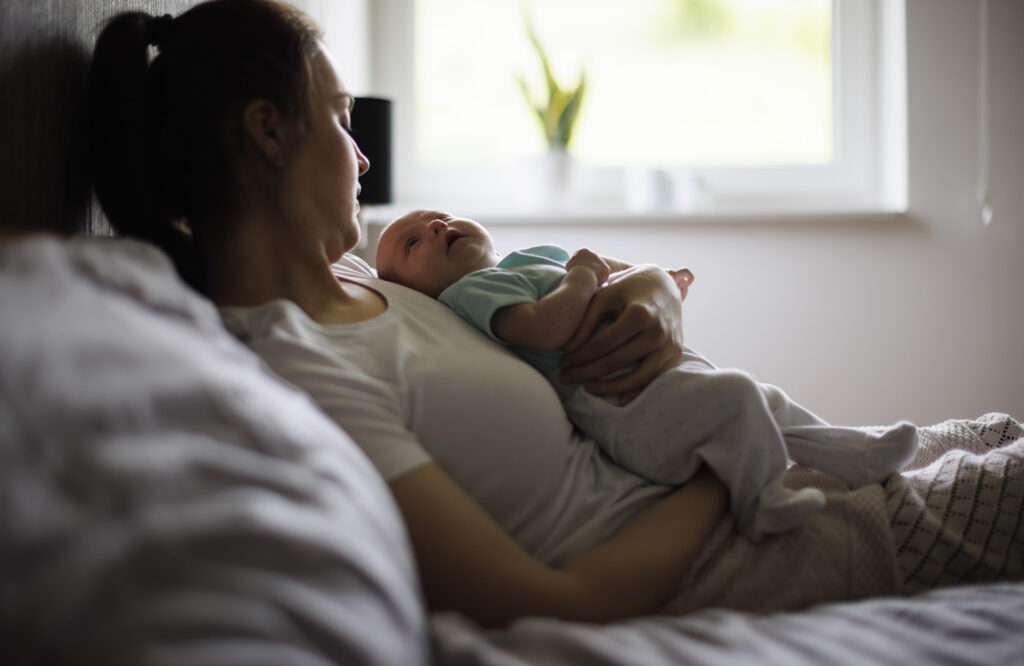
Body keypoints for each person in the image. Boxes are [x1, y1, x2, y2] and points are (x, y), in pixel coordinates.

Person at [87, 0, 1022, 629]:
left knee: (1000, 433)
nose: (362, 158)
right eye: (339, 118)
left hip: (748, 482)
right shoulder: (302, 373)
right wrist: (720, 465)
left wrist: (651, 291)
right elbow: (554, 598)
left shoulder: (367, 272)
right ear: (266, 130)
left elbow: (554, 280)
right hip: (727, 552)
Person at [374, 210, 919, 541]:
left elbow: (618, 272)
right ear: (417, 291)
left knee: (762, 397)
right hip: (625, 411)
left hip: (653, 382)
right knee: (738, 395)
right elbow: (545, 328)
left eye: (437, 215)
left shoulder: (523, 260)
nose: (437, 226)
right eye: (414, 242)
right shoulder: (471, 293)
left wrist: (656, 277)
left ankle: (856, 454)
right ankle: (760, 503)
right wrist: (582, 275)